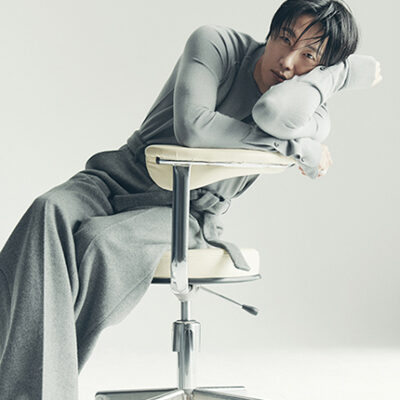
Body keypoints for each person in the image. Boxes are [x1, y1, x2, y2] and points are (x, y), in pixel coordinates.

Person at [0, 0, 382, 398]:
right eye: (284, 39)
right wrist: (293, 147)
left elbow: (271, 112)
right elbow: (194, 129)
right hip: (116, 177)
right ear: (270, 33)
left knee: (100, 245)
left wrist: (339, 75)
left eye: (309, 57)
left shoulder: (309, 113)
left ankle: (37, 390)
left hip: (182, 212)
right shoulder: (217, 45)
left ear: (322, 71)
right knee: (47, 210)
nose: (287, 62)